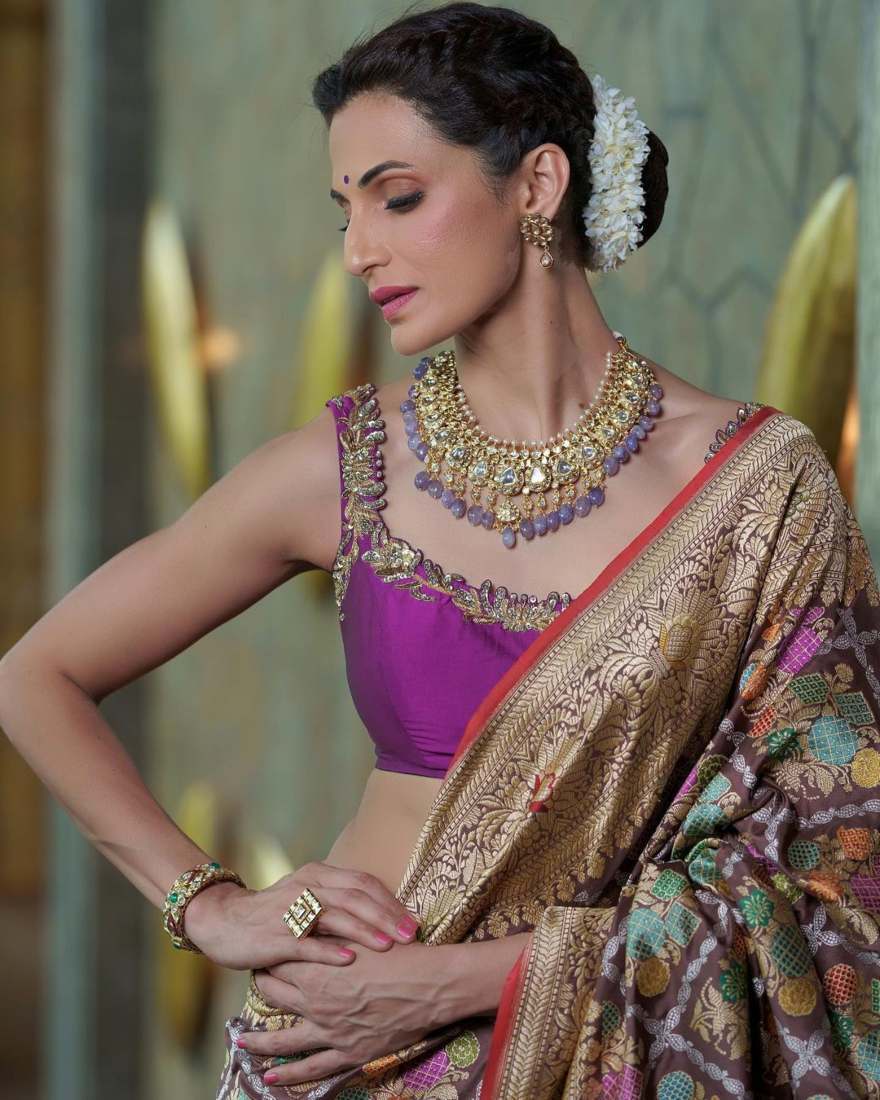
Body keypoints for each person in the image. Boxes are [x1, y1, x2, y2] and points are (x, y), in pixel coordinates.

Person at [2, 3, 878, 1098]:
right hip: (342, 1061)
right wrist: (208, 904)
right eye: (346, 212)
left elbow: (836, 869)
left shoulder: (756, 489)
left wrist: (452, 983)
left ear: (538, 184)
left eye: (399, 197)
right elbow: (36, 674)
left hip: (603, 1060)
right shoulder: (346, 467)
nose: (359, 252)